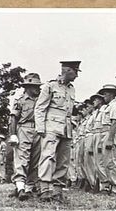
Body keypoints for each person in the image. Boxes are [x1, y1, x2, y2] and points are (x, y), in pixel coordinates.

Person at [35, 61, 81, 203]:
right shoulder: (50, 86)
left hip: (66, 128)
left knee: (64, 160)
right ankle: (44, 189)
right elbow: (40, 107)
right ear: (66, 71)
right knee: (48, 157)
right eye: (75, 72)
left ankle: (57, 191)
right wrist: (40, 127)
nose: (77, 76)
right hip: (51, 127)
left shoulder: (72, 89)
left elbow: (70, 110)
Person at [8, 73, 42, 201]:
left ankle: (28, 188)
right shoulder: (20, 100)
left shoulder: (41, 100)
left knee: (35, 160)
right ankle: (20, 187)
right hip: (24, 128)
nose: (37, 89)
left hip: (38, 130)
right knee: (22, 159)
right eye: (34, 86)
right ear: (27, 87)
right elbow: (13, 118)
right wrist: (13, 134)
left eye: (38, 86)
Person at [98, 84, 116, 195]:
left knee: (112, 161)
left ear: (112, 94)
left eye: (106, 93)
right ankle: (111, 186)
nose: (104, 96)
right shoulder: (107, 107)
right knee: (107, 162)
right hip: (104, 133)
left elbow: (114, 122)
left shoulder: (114, 106)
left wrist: (110, 139)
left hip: (110, 133)